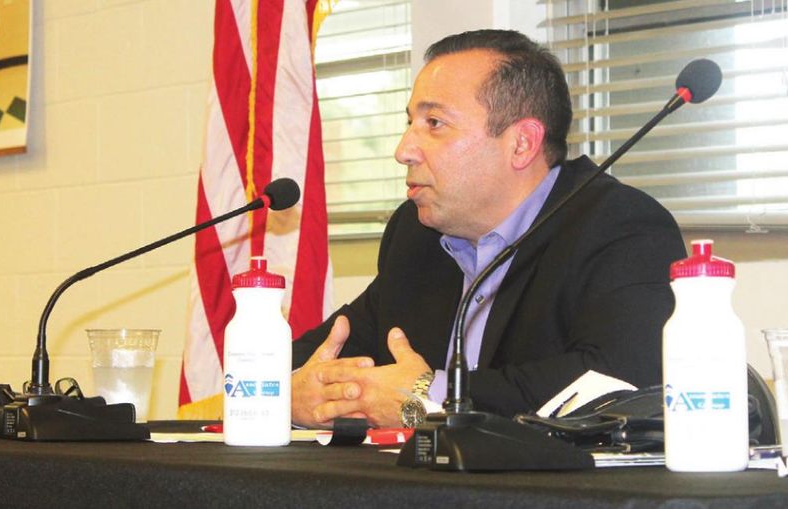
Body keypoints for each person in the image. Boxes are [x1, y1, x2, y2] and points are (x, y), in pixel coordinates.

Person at [290, 30, 685, 429]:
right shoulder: (417, 234)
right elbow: (334, 348)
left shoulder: (620, 226)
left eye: (435, 123)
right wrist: (295, 391)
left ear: (521, 144)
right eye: (410, 122)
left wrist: (430, 397)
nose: (403, 150)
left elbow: (623, 383)